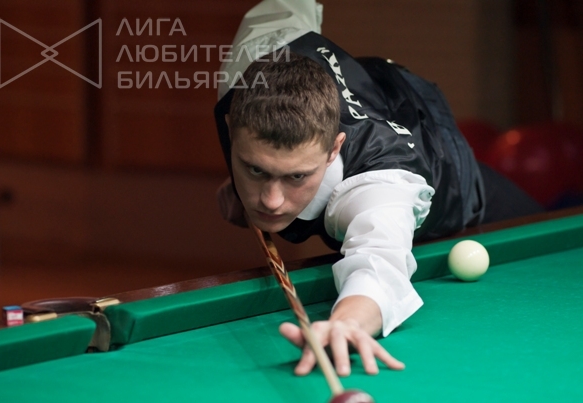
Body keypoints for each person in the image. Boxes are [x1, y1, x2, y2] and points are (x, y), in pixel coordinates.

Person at [214, 0, 543, 377]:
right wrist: (240, 185)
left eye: (296, 177)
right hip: (379, 96)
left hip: (453, 177)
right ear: (231, 128)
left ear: (333, 149)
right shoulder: (256, 54)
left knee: (539, 228)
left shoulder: (379, 187)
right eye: (256, 168)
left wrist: (348, 322)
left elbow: (380, 263)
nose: (271, 201)